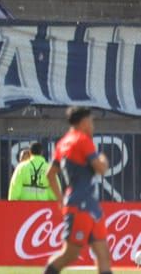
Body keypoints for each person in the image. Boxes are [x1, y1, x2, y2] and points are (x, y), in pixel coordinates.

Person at [44, 106, 111, 274]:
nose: (93, 125)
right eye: (91, 121)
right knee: (70, 254)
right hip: (83, 206)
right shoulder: (82, 140)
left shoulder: (63, 142)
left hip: (85, 204)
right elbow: (100, 169)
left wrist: (60, 199)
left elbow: (50, 174)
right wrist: (103, 159)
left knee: (102, 253)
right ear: (83, 122)